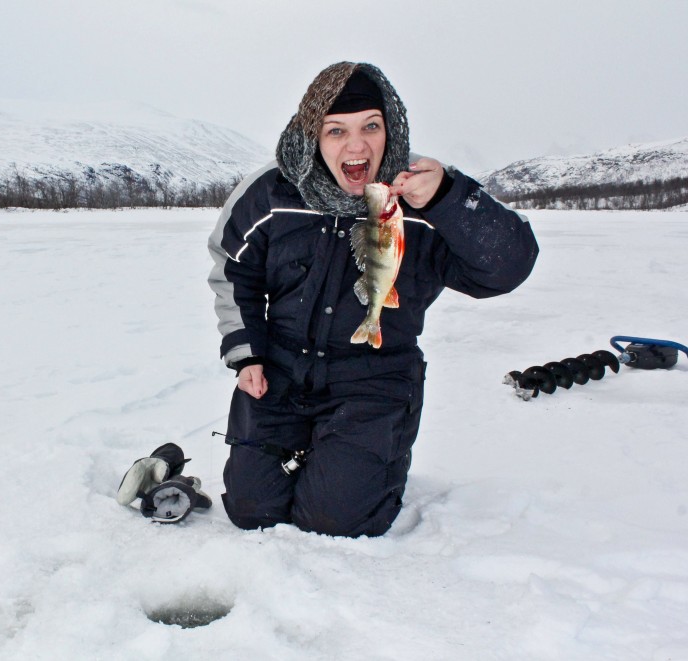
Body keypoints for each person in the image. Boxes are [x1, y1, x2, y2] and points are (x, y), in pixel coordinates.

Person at [207, 61, 538, 538]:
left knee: (333, 519)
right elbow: (232, 269)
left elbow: (507, 268)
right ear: (312, 135)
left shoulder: (419, 193)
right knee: (251, 511)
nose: (356, 144)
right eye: (336, 130)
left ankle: (369, 467)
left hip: (374, 382)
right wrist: (247, 355)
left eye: (371, 126)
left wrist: (448, 197)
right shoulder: (270, 192)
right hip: (279, 376)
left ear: (391, 129)